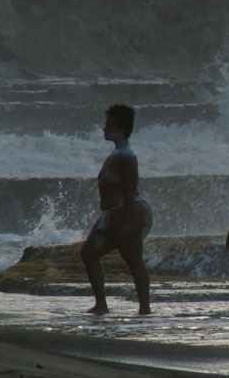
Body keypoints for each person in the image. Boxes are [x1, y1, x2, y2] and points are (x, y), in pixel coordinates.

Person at [80, 103, 153, 315]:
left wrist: (128, 221)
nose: (104, 128)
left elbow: (131, 189)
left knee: (133, 259)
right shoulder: (118, 153)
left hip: (128, 212)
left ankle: (144, 309)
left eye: (109, 124)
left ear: (121, 129)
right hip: (111, 215)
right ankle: (101, 305)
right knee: (89, 253)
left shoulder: (126, 156)